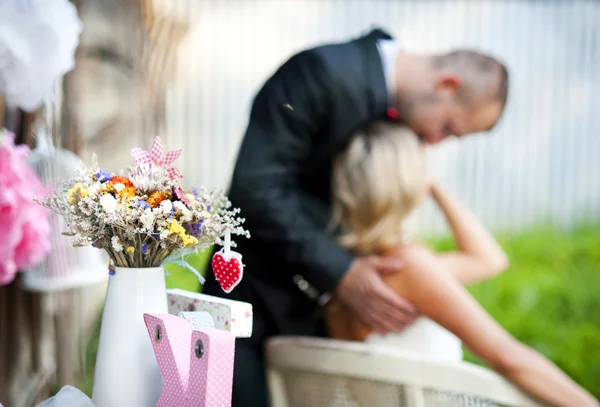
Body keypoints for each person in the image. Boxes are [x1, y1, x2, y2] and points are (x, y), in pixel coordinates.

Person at [202, 27, 510, 407]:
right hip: (249, 301)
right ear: (447, 84)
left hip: (323, 326)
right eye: (447, 128)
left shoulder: (401, 115)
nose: (433, 141)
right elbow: (254, 188)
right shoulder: (319, 73)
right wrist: (342, 272)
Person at [325, 123, 598, 407]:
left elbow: (488, 260)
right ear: (410, 183)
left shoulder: (344, 270)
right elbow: (508, 358)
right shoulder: (409, 268)